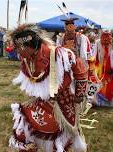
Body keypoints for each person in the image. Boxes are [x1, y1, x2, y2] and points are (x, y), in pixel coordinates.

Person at [8, 24, 88, 152]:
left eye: (18, 47)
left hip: (63, 103)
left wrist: (79, 93)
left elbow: (80, 68)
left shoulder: (59, 54)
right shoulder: (26, 60)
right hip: (41, 100)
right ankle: (32, 146)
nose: (16, 51)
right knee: (24, 123)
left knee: (62, 136)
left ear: (28, 46)